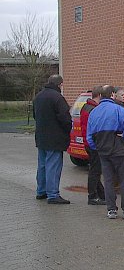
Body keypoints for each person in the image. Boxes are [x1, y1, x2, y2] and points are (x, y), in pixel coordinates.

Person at [87, 85, 124, 220]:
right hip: (119, 150)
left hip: (103, 151)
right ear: (112, 95)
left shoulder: (94, 112)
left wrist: (96, 146)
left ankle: (111, 210)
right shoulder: (118, 109)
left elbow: (89, 136)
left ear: (100, 96)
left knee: (108, 181)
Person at [33, 74, 72, 204]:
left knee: (42, 165)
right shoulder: (58, 98)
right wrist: (67, 130)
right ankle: (53, 194)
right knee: (53, 166)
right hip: (55, 138)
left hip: (41, 137)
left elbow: (35, 115)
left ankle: (41, 191)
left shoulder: (38, 96)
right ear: (59, 84)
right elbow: (65, 119)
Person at [80, 85, 105, 205]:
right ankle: (92, 196)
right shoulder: (94, 109)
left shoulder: (86, 106)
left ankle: (101, 194)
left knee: (96, 169)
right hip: (93, 143)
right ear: (100, 96)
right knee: (95, 170)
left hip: (88, 142)